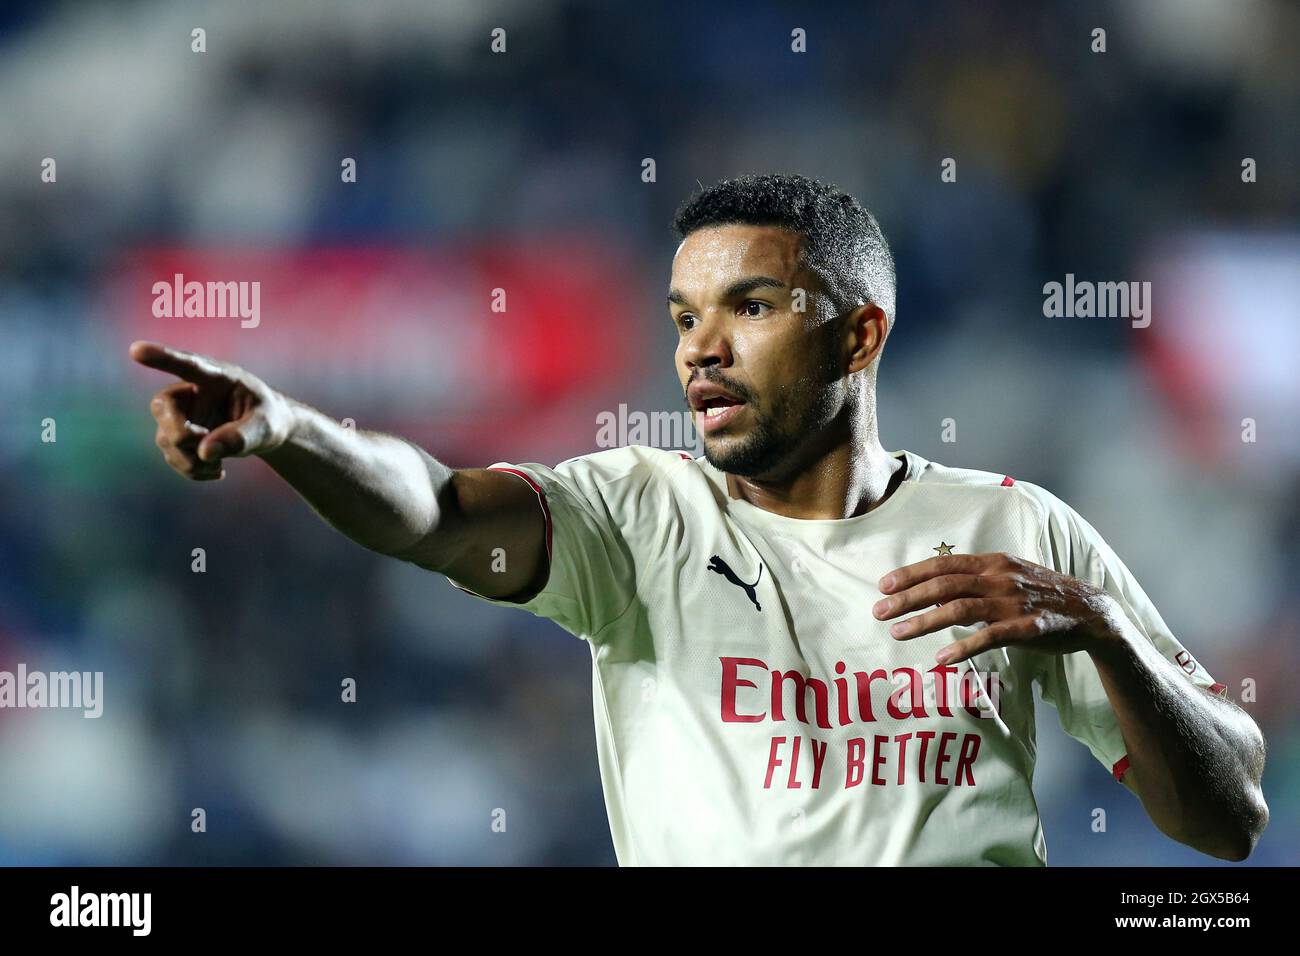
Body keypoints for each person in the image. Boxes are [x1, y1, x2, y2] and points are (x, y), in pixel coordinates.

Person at [131, 172, 1268, 866]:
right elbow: (431, 507)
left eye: (750, 306)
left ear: (859, 336)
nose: (698, 348)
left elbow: (1229, 819)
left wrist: (1108, 631)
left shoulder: (1016, 531)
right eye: (682, 315)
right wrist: (290, 429)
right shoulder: (635, 514)